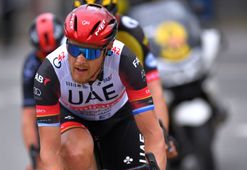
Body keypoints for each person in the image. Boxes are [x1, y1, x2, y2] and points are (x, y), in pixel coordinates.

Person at [34, 4, 174, 170]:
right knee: (75, 150)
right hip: (75, 120)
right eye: (74, 49)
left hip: (119, 120)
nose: (80, 60)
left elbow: (153, 132)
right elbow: (50, 150)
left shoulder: (125, 61)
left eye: (90, 53)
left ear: (107, 50)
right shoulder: (50, 71)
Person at [72, 0, 178, 159]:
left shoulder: (133, 31)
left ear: (117, 16)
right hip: (81, 109)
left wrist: (163, 134)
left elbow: (154, 88)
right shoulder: (66, 42)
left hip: (122, 106)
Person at [21, 12, 64, 170]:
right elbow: (28, 114)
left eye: (54, 52)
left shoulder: (73, 54)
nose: (49, 60)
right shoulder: (30, 65)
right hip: (50, 114)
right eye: (43, 55)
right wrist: (34, 156)